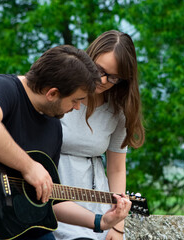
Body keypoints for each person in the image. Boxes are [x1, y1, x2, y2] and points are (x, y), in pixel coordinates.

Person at [0, 45, 132, 240]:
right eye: (76, 100)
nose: (77, 107)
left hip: (11, 226)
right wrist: (29, 167)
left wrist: (101, 222)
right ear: (52, 94)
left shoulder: (54, 126)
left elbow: (52, 200)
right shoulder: (2, 87)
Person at [53, 30, 145, 240]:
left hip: (92, 201)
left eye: (114, 78)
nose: (103, 80)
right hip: (48, 198)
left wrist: (117, 225)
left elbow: (116, 168)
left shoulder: (118, 112)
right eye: (99, 70)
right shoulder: (56, 92)